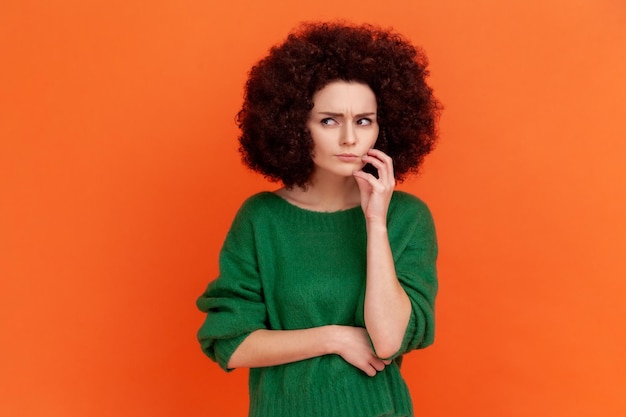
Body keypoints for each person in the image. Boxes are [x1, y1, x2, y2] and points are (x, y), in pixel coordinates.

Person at [196, 21, 441, 417]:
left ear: (384, 126)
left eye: (364, 120)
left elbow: (389, 340)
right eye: (329, 120)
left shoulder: (406, 218)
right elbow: (232, 343)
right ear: (295, 126)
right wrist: (332, 338)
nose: (349, 138)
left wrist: (375, 222)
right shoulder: (261, 218)